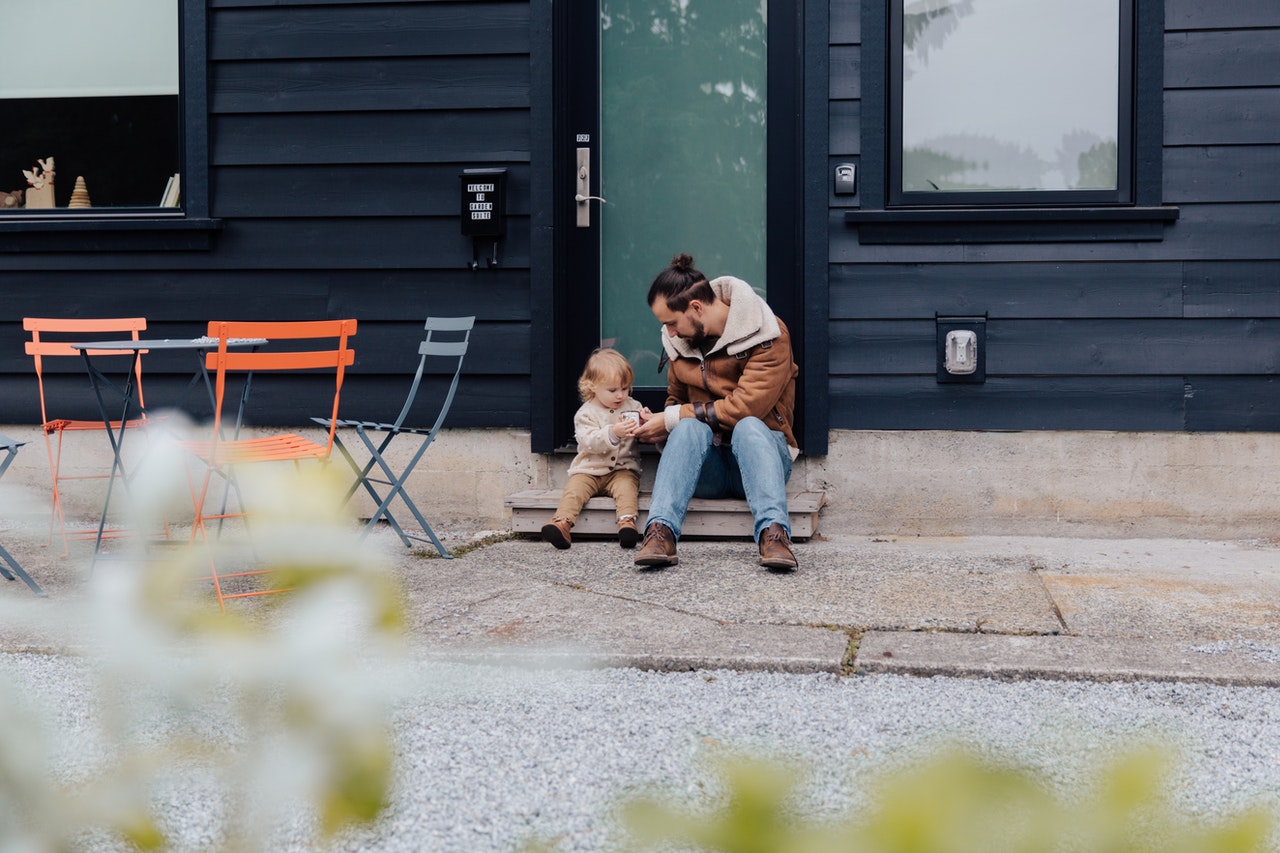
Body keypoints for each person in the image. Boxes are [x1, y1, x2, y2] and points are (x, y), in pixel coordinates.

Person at [632, 252, 800, 571]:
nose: (668, 333)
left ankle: (774, 535)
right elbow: (674, 401)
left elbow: (744, 408)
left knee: (749, 425)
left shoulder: (768, 333)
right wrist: (660, 425)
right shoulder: (680, 342)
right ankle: (659, 532)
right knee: (688, 428)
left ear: (696, 307)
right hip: (707, 466)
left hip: (761, 461)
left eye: (671, 322)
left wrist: (671, 418)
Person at [542, 348, 648, 550]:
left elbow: (643, 433)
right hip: (589, 470)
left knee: (627, 489)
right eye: (613, 390)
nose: (620, 395)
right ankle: (562, 523)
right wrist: (614, 433)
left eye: (625, 389)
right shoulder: (586, 413)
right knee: (574, 491)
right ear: (593, 387)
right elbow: (588, 441)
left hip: (622, 469)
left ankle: (626, 523)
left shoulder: (633, 406)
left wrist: (644, 423)